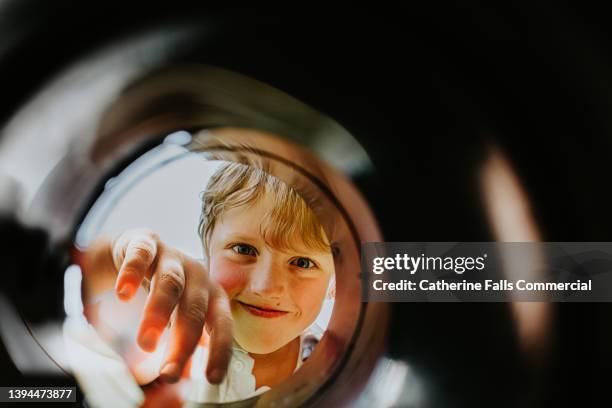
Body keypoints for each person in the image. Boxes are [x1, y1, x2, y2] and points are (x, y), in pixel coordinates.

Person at [79, 161, 336, 403]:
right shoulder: (170, 335)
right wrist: (113, 258)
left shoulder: (341, 370)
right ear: (206, 256)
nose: (266, 287)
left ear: (335, 283)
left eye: (302, 263)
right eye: (244, 250)